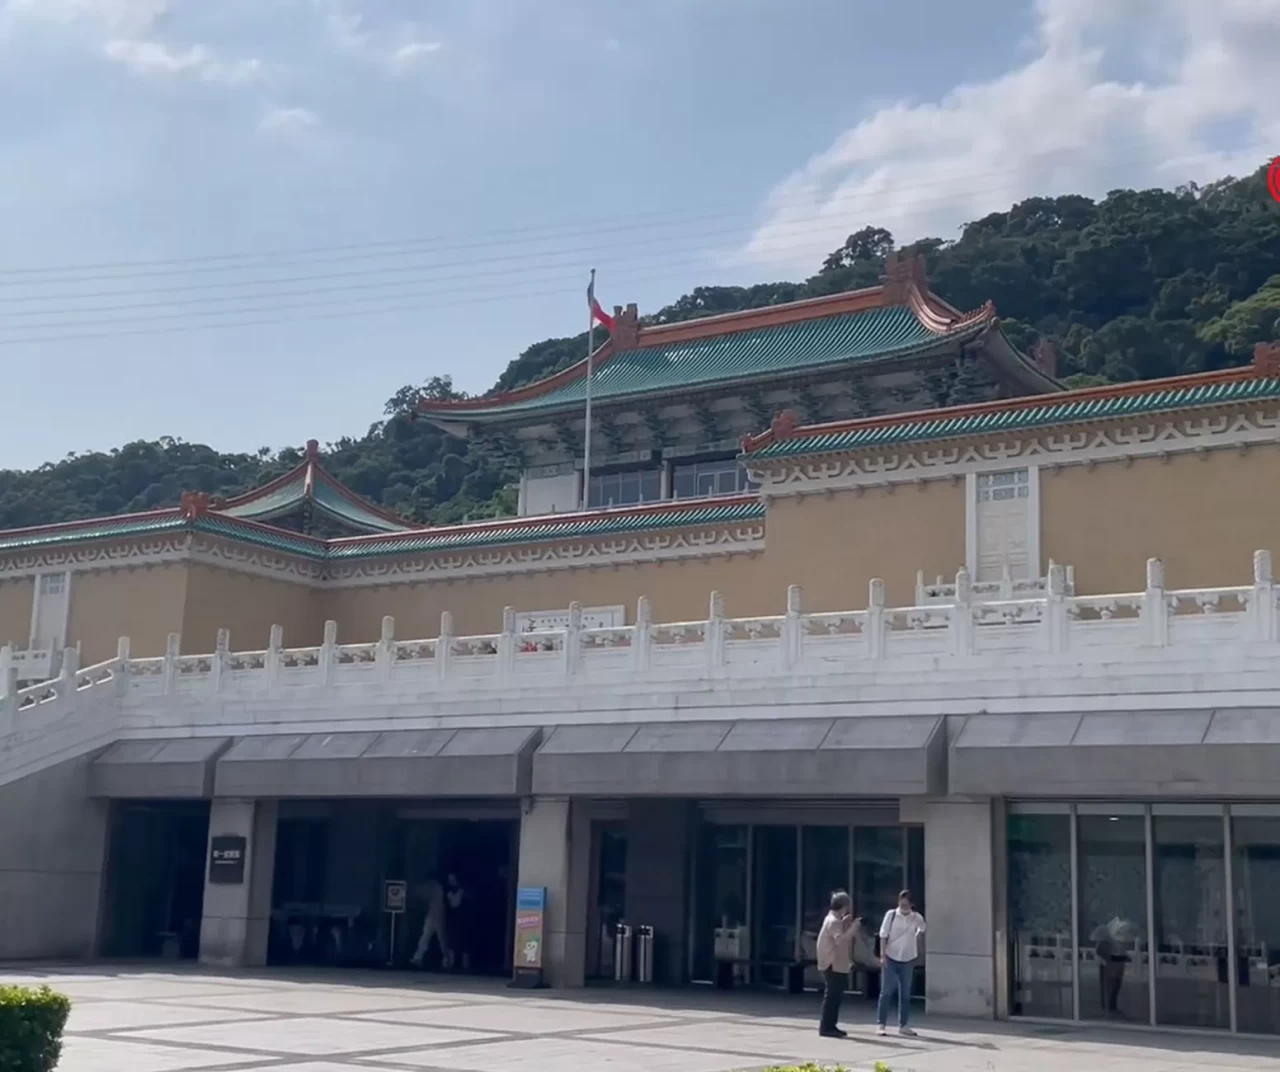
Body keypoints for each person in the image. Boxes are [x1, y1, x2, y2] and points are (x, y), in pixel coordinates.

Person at [877, 889, 926, 1037]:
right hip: (891, 956)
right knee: (886, 992)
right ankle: (881, 1024)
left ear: (912, 905)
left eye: (906, 905)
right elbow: (883, 935)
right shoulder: (891, 915)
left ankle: (903, 1025)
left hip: (908, 958)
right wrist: (882, 955)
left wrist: (917, 936)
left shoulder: (916, 917)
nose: (903, 907)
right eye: (901, 904)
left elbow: (922, 928)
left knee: (905, 993)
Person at [815, 890, 857, 1038]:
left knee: (836, 996)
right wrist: (853, 928)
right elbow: (841, 940)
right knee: (832, 996)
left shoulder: (832, 919)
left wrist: (845, 924)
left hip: (834, 963)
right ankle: (826, 1027)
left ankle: (831, 1025)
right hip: (832, 963)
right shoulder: (833, 921)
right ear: (843, 906)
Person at [410, 877, 449, 969]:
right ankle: (418, 958)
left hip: (437, 915)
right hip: (432, 915)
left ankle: (447, 959)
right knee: (426, 937)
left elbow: (423, 894)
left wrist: (414, 890)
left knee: (441, 939)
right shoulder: (436, 886)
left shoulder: (434, 886)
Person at [445, 872, 468, 972]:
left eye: (452, 879)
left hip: (462, 919)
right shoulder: (450, 891)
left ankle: (464, 964)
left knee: (463, 942)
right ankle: (451, 962)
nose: (451, 881)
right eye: (450, 880)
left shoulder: (461, 891)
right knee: (453, 941)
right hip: (454, 919)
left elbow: (456, 904)